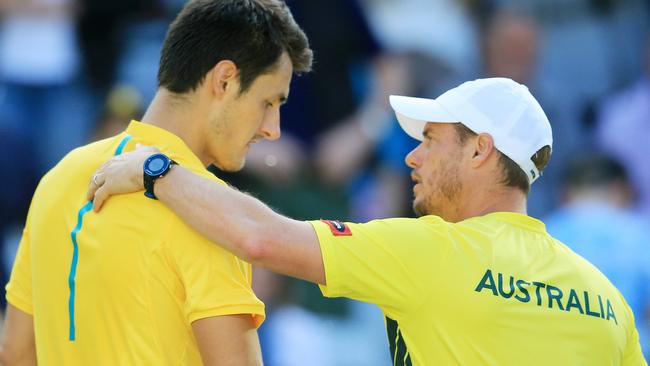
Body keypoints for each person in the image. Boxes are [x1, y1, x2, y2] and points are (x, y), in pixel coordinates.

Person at [88, 77, 646, 365]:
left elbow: (259, 237)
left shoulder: (431, 251)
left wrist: (158, 169)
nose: (411, 156)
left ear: (480, 151)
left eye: (430, 140)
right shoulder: (606, 300)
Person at [0, 0, 312, 364]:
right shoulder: (213, 217)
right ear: (224, 79)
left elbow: (15, 353)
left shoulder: (60, 176)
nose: (272, 130)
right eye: (268, 102)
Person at [545, 154, 650, 359]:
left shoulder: (542, 231)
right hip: (628, 355)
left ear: (565, 192)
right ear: (622, 188)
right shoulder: (641, 233)